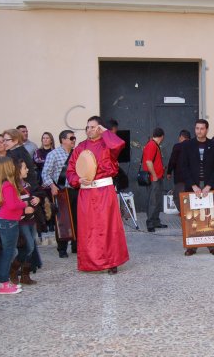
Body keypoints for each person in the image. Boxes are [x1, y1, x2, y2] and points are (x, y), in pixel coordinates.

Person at [66, 116, 129, 274]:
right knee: (88, 229)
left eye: (93, 127)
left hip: (104, 191)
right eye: (87, 127)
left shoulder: (107, 145)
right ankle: (90, 262)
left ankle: (111, 261)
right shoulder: (80, 147)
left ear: (100, 128)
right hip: (86, 193)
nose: (89, 130)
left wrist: (106, 132)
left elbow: (120, 144)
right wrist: (77, 180)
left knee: (108, 227)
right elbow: (70, 171)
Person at [180, 119, 214, 256]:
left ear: (207, 130)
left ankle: (213, 246)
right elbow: (183, 166)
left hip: (209, 186)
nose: (199, 131)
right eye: (197, 128)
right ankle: (192, 247)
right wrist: (193, 185)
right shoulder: (187, 145)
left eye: (202, 128)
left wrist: (209, 185)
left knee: (211, 215)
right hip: (192, 186)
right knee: (192, 215)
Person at [0, 157, 28, 295]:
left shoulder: (6, 183)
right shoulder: (8, 185)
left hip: (7, 220)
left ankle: (4, 282)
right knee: (8, 253)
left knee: (8, 252)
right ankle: (3, 284)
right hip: (8, 222)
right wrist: (24, 204)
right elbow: (12, 205)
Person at [41, 130, 78, 258]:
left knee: (77, 218)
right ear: (63, 140)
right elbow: (45, 174)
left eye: (74, 138)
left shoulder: (77, 153)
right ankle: (62, 248)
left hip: (76, 189)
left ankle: (76, 245)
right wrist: (52, 186)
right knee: (62, 220)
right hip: (61, 190)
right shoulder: (53, 154)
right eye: (71, 138)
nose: (74, 140)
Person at [9, 159, 41, 285]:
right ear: (17, 170)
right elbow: (11, 205)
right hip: (21, 222)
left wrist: (37, 199)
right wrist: (23, 211)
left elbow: (33, 196)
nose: (27, 169)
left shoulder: (26, 185)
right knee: (28, 247)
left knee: (31, 248)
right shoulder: (13, 187)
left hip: (31, 220)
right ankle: (13, 269)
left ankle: (25, 275)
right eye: (24, 168)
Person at [143, 127, 167, 233]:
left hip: (157, 177)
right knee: (153, 201)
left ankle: (156, 221)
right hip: (154, 178)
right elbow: (148, 162)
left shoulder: (154, 145)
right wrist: (154, 175)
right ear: (162, 136)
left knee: (157, 201)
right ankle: (150, 223)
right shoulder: (152, 145)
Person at [166, 129, 191, 213]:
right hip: (192, 177)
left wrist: (169, 172)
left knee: (178, 196)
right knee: (190, 195)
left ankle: (184, 213)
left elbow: (172, 160)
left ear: (181, 137)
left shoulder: (177, 146)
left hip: (180, 176)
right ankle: (189, 212)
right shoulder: (194, 146)